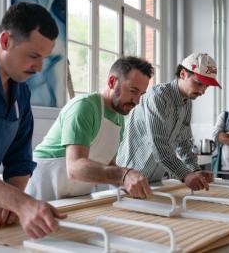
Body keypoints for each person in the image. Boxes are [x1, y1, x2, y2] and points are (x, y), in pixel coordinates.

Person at [0, 2, 67, 239]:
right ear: (6, 41)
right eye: (33, 55)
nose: (39, 68)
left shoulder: (21, 93)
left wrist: (10, 200)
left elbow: (19, 160)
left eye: (44, 58)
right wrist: (20, 203)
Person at [26, 57, 154, 200]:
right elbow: (74, 168)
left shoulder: (119, 120)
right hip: (43, 191)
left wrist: (130, 184)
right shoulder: (84, 107)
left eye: (141, 94)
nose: (137, 101)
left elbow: (108, 164)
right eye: (133, 91)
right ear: (112, 82)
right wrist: (123, 175)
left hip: (74, 197)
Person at [116, 53, 221, 191]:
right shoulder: (158, 96)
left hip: (154, 180)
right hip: (128, 177)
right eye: (199, 83)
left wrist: (195, 171)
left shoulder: (187, 102)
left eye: (206, 86)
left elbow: (184, 143)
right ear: (183, 74)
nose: (202, 91)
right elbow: (158, 143)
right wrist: (186, 175)